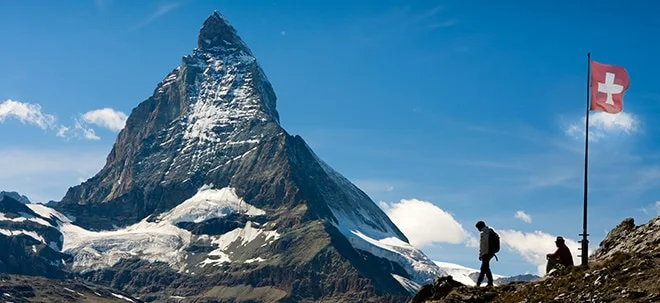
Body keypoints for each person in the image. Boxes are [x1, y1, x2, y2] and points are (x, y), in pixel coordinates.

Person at [475, 220, 494, 287]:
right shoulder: (490, 231)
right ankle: (489, 282)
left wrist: (481, 254)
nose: (478, 230)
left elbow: (483, 245)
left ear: (480, 227)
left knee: (483, 268)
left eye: (478, 228)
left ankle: (479, 283)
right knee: (485, 268)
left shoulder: (483, 233)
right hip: (491, 252)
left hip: (486, 253)